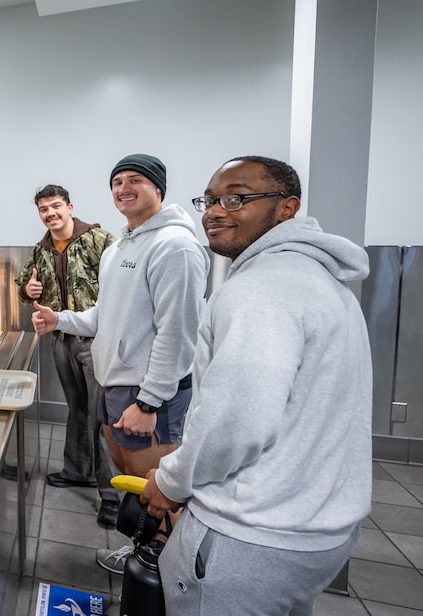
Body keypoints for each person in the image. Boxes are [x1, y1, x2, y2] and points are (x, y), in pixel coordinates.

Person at [140, 156, 371, 615]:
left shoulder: (258, 289)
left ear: (287, 208)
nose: (214, 211)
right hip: (315, 528)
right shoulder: (321, 281)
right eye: (209, 199)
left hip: (251, 534)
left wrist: (171, 480)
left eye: (236, 197)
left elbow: (235, 420)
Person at [31, 154, 208, 575]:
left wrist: (148, 403)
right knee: (133, 480)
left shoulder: (175, 246)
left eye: (136, 180)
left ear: (158, 188)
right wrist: (60, 319)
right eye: (117, 182)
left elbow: (178, 333)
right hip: (114, 384)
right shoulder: (121, 247)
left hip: (147, 392)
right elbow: (101, 315)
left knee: (158, 490)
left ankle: (170, 573)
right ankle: (145, 557)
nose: (124, 188)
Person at [14, 184, 120, 527]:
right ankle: (78, 471)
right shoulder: (41, 249)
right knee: (77, 408)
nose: (50, 214)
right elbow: (22, 286)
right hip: (61, 339)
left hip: (96, 339)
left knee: (102, 414)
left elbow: (124, 284)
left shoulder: (100, 240)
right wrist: (26, 290)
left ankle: (113, 497)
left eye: (56, 206)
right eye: (44, 209)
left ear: (70, 207)